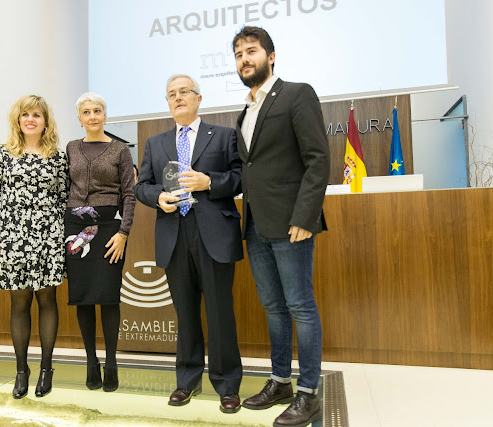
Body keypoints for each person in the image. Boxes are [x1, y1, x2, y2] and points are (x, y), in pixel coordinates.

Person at [232, 26, 331, 427]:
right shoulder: (245, 111)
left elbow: (317, 159)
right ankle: (280, 381)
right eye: (238, 54)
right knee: (273, 307)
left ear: (271, 56)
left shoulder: (296, 94)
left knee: (300, 307)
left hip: (292, 224)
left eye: (251, 51)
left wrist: (305, 218)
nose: (244, 59)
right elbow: (250, 169)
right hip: (255, 223)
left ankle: (308, 393)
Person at [135, 74, 244, 413]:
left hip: (213, 233)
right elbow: (142, 186)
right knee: (184, 313)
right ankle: (187, 381)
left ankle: (227, 385)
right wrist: (159, 197)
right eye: (171, 94)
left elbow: (241, 178)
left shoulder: (224, 136)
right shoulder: (156, 143)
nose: (178, 98)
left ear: (199, 99)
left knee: (219, 312)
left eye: (184, 92)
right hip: (174, 233)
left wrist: (208, 181)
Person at [0, 95, 69, 399]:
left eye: (37, 115)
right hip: (13, 238)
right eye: (25, 115)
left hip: (48, 237)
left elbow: (63, 198)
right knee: (19, 305)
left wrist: (62, 235)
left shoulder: (57, 156)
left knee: (48, 302)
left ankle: (46, 368)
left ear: (46, 121)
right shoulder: (1, 154)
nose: (31, 119)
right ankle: (22, 369)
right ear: (17, 120)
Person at [65, 92, 135, 392]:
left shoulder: (120, 150)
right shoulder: (70, 148)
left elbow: (130, 195)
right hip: (75, 227)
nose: (92, 116)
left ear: (105, 116)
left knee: (107, 296)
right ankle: (91, 362)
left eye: (97, 111)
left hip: (110, 227)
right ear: (79, 119)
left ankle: (111, 363)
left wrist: (123, 233)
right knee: (82, 296)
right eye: (86, 112)